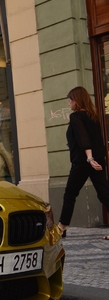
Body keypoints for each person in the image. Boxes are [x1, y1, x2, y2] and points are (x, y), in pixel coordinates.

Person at [57, 86, 109, 240]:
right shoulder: (93, 116)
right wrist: (96, 159)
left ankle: (61, 227)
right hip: (97, 161)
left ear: (76, 101)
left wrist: (89, 158)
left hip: (83, 162)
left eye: (70, 100)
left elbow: (83, 138)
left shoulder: (76, 117)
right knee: (104, 194)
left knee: (70, 194)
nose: (69, 104)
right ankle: (62, 227)